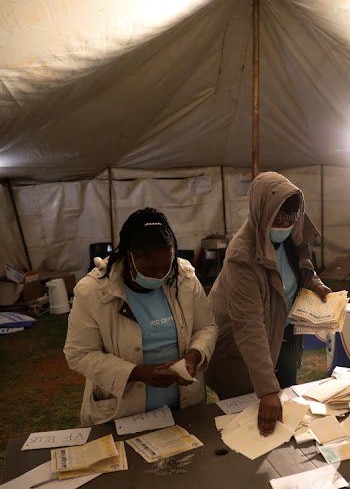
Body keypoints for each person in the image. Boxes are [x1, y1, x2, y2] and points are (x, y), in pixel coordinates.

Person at [64, 208, 218, 427]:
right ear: (130, 257)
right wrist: (135, 373)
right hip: (122, 415)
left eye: (166, 267)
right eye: (151, 269)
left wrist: (193, 357)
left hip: (184, 408)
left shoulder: (183, 278)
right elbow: (79, 354)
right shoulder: (93, 291)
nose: (160, 276)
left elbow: (207, 327)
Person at [205, 172, 330, 437]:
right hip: (239, 351)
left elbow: (302, 266)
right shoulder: (243, 256)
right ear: (262, 209)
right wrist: (267, 390)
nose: (284, 224)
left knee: (287, 413)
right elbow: (249, 326)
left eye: (290, 217)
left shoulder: (291, 233)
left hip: (282, 336)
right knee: (247, 424)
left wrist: (315, 283)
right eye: (278, 217)